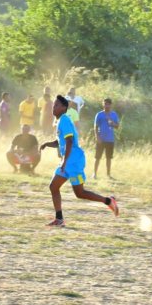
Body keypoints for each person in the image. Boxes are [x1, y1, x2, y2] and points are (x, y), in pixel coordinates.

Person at [39, 95, 119, 227]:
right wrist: (48, 144)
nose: (54, 107)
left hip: (73, 160)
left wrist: (64, 162)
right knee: (55, 187)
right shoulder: (60, 121)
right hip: (69, 160)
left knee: (79, 193)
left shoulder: (64, 120)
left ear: (64, 108)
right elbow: (62, 142)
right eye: (53, 105)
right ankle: (59, 219)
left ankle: (108, 201)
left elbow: (70, 141)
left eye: (57, 105)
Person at [93, 98, 119, 179]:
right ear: (103, 104)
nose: (106, 105)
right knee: (97, 157)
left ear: (111, 105)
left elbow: (117, 126)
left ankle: (108, 175)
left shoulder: (114, 114)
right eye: (105, 104)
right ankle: (94, 174)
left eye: (108, 104)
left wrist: (112, 123)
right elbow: (95, 127)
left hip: (110, 139)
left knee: (109, 158)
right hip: (101, 139)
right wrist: (97, 137)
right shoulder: (99, 114)